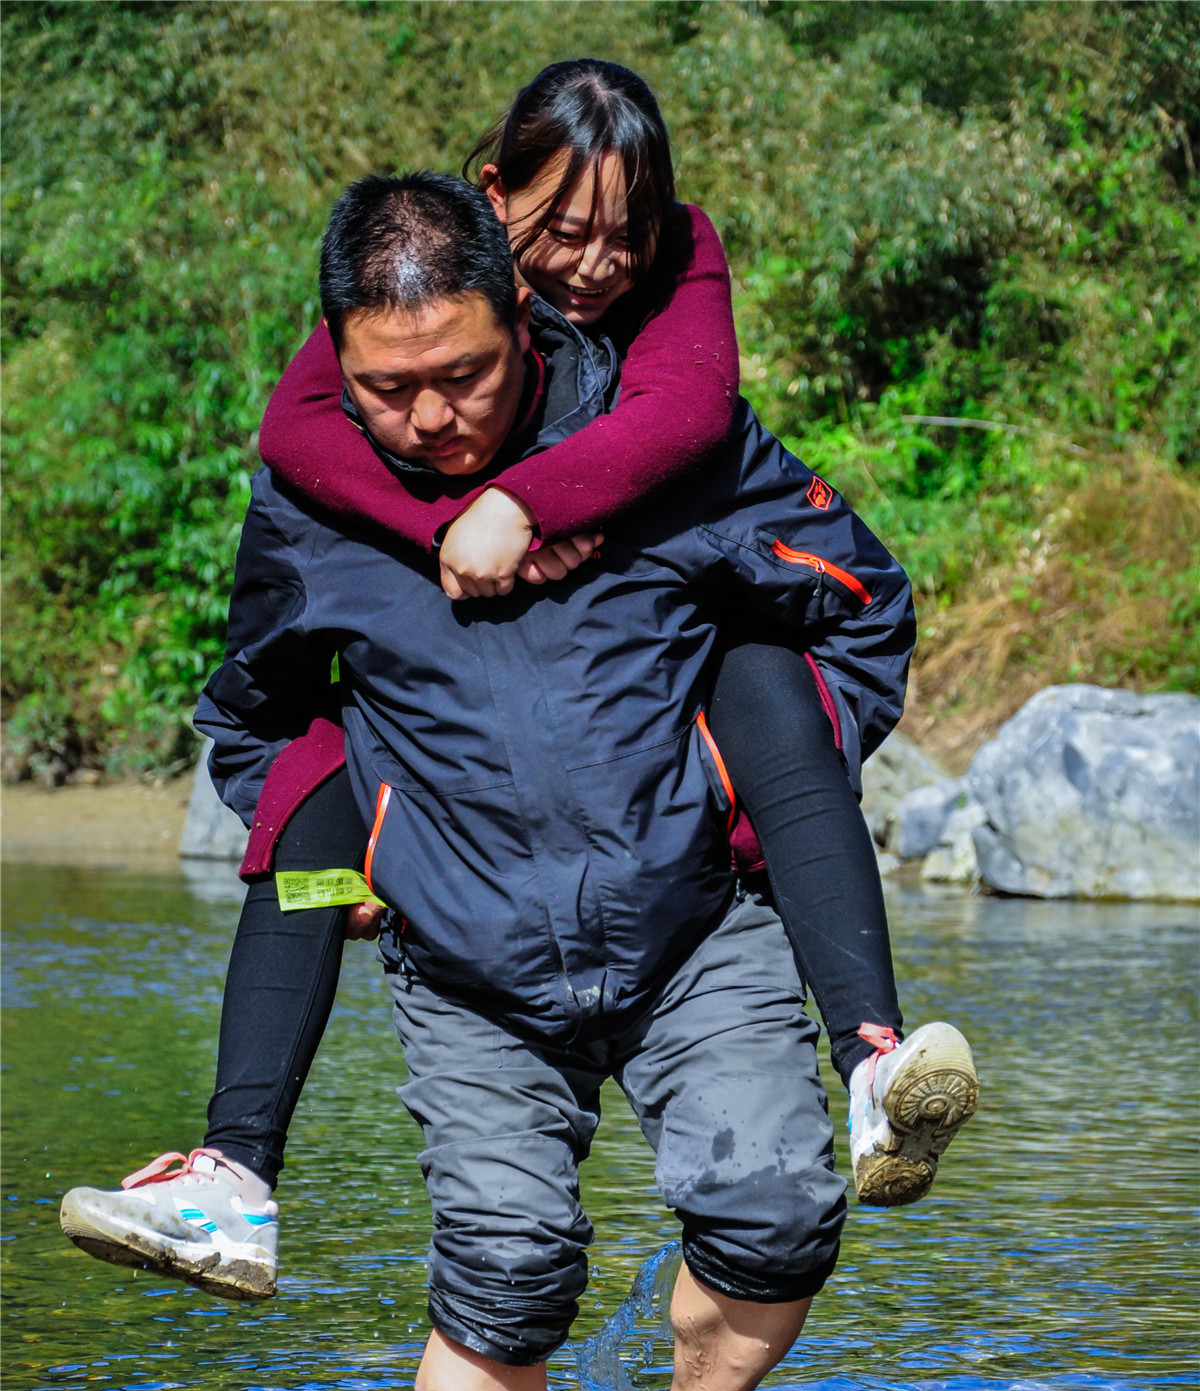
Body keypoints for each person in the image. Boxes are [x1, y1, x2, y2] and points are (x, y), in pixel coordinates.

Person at [60, 60, 976, 1316]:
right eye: (562, 230)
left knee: (763, 669)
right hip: (472, 909)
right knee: (315, 775)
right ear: (494, 202)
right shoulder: (400, 301)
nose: (598, 263)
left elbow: (699, 420)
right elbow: (297, 440)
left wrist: (535, 505)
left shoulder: (676, 297)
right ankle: (234, 1168)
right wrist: (444, 521)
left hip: (672, 860)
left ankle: (870, 1055)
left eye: (625, 233)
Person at [192, 168, 913, 1391]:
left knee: (780, 1209)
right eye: (387, 390)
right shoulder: (315, 509)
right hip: (467, 964)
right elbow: (256, 717)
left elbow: (861, 600)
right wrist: (356, 850)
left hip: (688, 926)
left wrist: (755, 769)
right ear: (339, 361)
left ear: (522, 314)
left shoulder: (655, 451)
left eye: (459, 375)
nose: (428, 420)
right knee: (510, 1271)